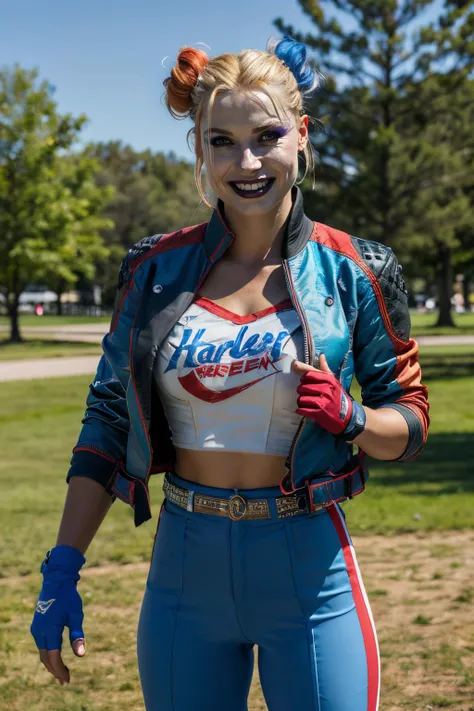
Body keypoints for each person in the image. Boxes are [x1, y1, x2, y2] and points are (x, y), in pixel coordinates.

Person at [30, 36, 430, 711]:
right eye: (221, 141)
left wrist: (354, 417)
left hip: (310, 572)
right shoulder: (153, 270)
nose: (245, 162)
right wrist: (61, 566)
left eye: (266, 136)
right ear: (199, 148)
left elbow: (411, 422)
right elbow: (107, 420)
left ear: (300, 136)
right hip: (186, 571)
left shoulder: (356, 268)